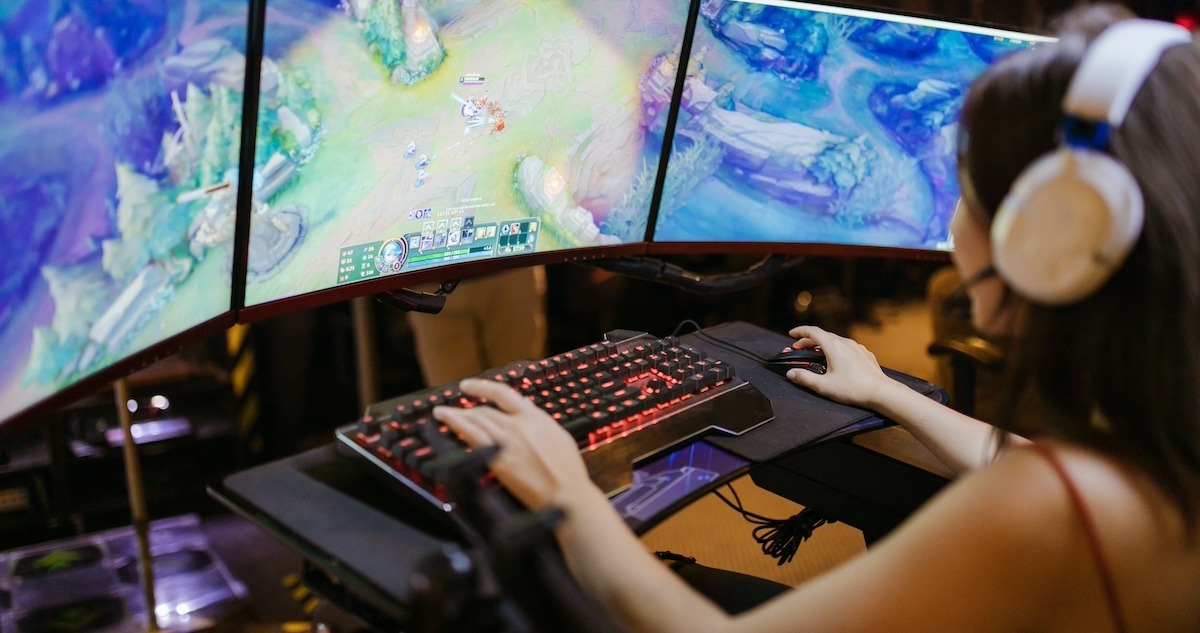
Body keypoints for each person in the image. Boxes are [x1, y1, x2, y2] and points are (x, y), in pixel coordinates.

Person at [432, 10, 1200, 632]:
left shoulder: (1054, 510)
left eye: (964, 187)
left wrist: (567, 497)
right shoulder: (1154, 451)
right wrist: (886, 392)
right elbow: (1033, 467)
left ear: (1054, 242)